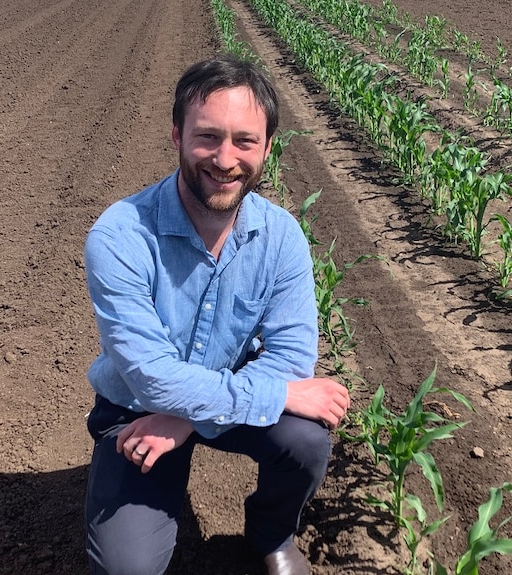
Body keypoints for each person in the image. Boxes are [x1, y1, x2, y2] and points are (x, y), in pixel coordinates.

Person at [83, 55, 350, 575]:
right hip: (139, 412)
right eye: (207, 137)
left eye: (245, 141)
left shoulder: (280, 237)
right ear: (177, 136)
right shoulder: (120, 237)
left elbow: (292, 354)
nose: (225, 159)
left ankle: (271, 534)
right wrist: (265, 394)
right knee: (126, 570)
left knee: (305, 440)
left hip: (207, 398)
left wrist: (186, 418)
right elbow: (153, 378)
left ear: (267, 148)